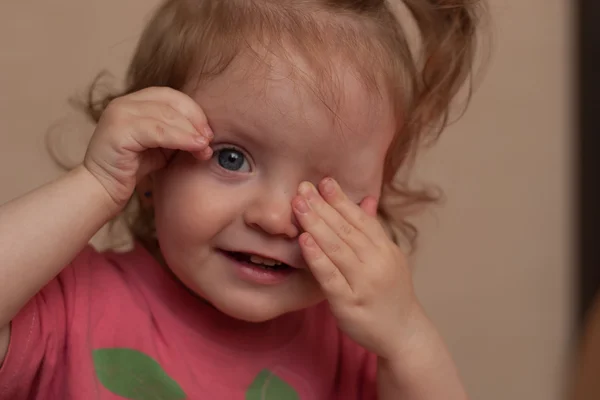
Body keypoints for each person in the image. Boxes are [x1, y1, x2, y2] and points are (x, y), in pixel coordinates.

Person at [0, 0, 484, 398]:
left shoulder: (352, 348)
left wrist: (408, 339)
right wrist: (97, 183)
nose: (276, 219)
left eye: (324, 186)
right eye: (231, 158)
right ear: (151, 162)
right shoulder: (75, 306)